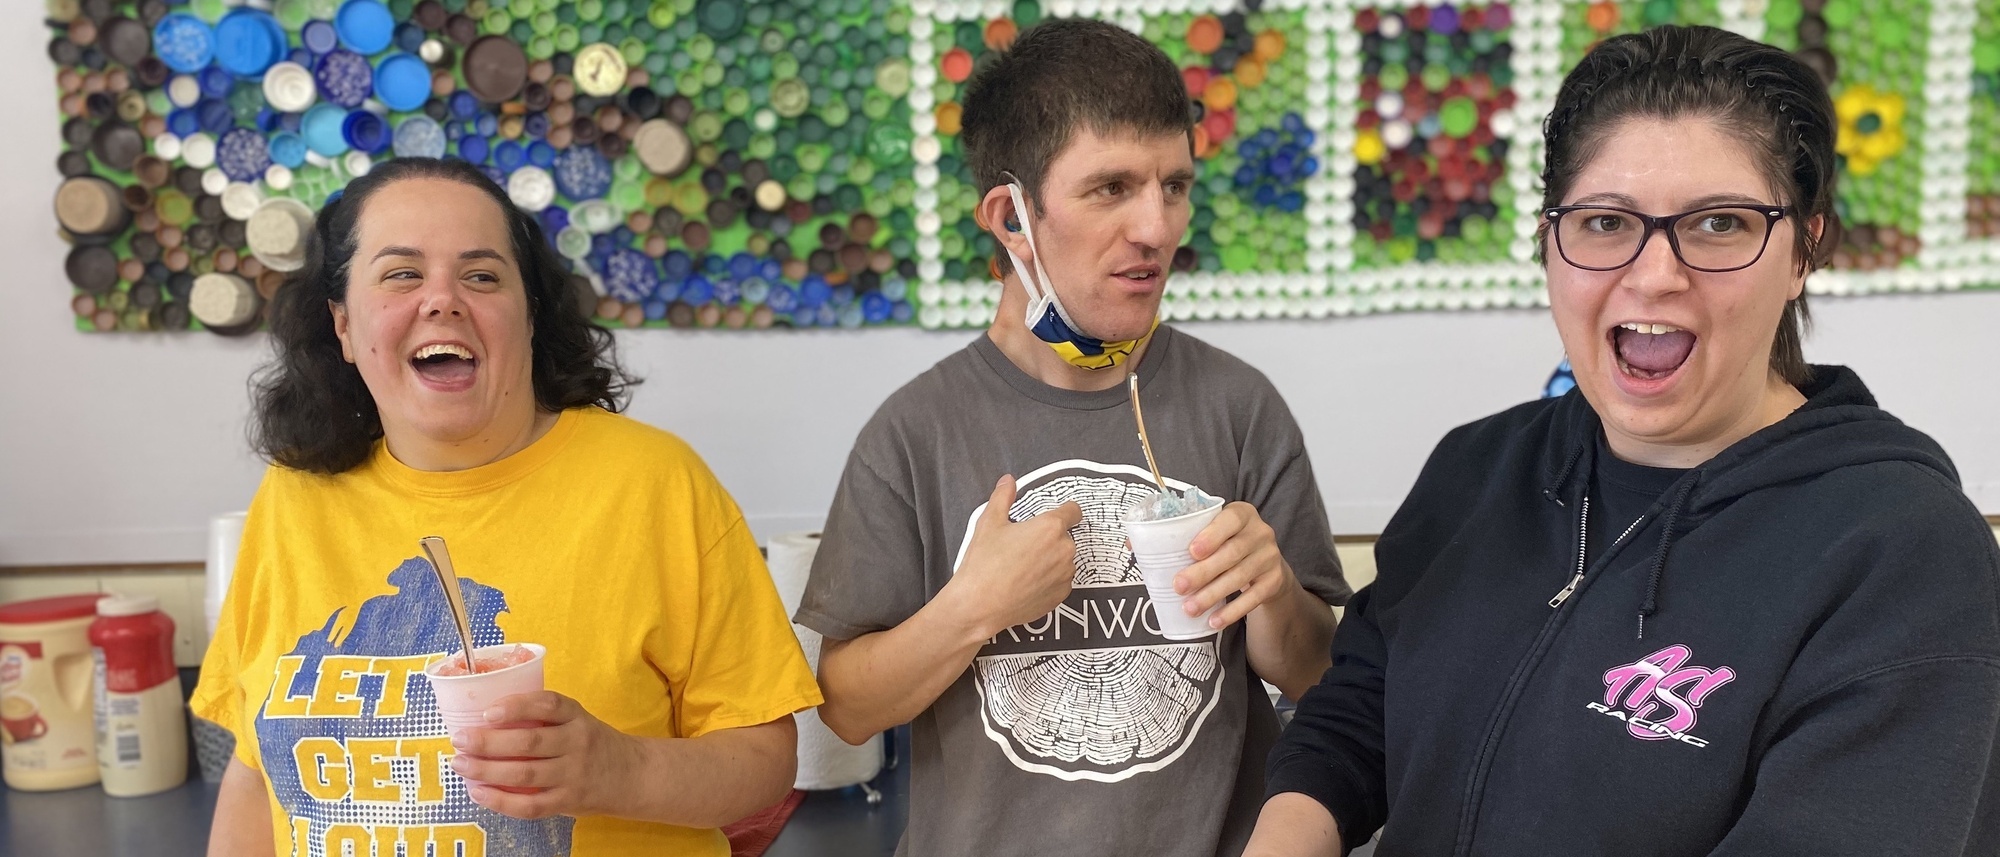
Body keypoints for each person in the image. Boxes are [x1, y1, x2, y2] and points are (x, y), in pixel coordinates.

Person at [1248, 25, 2000, 856]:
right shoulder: (1475, 470)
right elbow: (1357, 717)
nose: (1654, 274)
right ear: (1549, 239)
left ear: (1804, 251)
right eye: (1605, 221)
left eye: (1720, 223)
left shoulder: (1904, 555)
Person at [795, 18, 1352, 856]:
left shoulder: (1242, 405)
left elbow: (1318, 675)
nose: (1158, 229)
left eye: (1175, 186)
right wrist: (971, 609)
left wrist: (1271, 594)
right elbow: (845, 704)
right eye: (1111, 188)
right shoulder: (913, 431)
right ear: (1012, 219)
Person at [193, 158, 822, 857]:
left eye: (482, 275)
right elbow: (255, 774)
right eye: (402, 273)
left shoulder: (654, 483)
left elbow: (766, 758)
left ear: (528, 319)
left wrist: (621, 769)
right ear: (342, 323)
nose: (443, 299)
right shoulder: (295, 496)